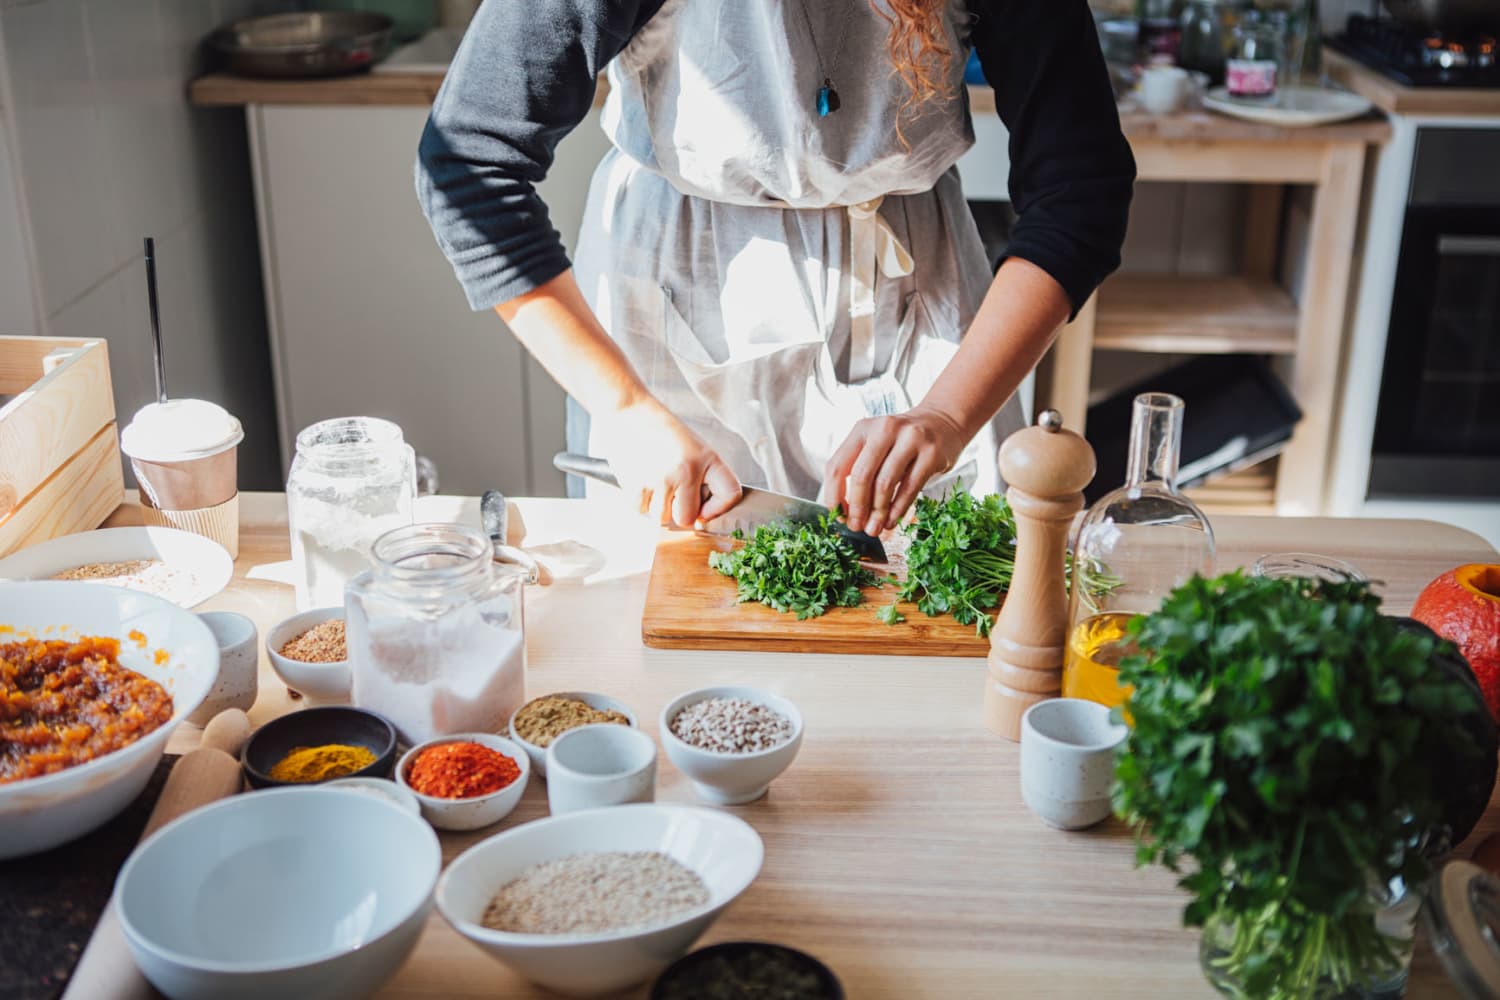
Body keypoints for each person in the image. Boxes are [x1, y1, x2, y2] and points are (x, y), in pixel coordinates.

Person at [417, 0, 1133, 535]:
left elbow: (1082, 189)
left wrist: (945, 415)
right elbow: (469, 163)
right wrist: (630, 415)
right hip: (679, 289)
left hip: (918, 289)